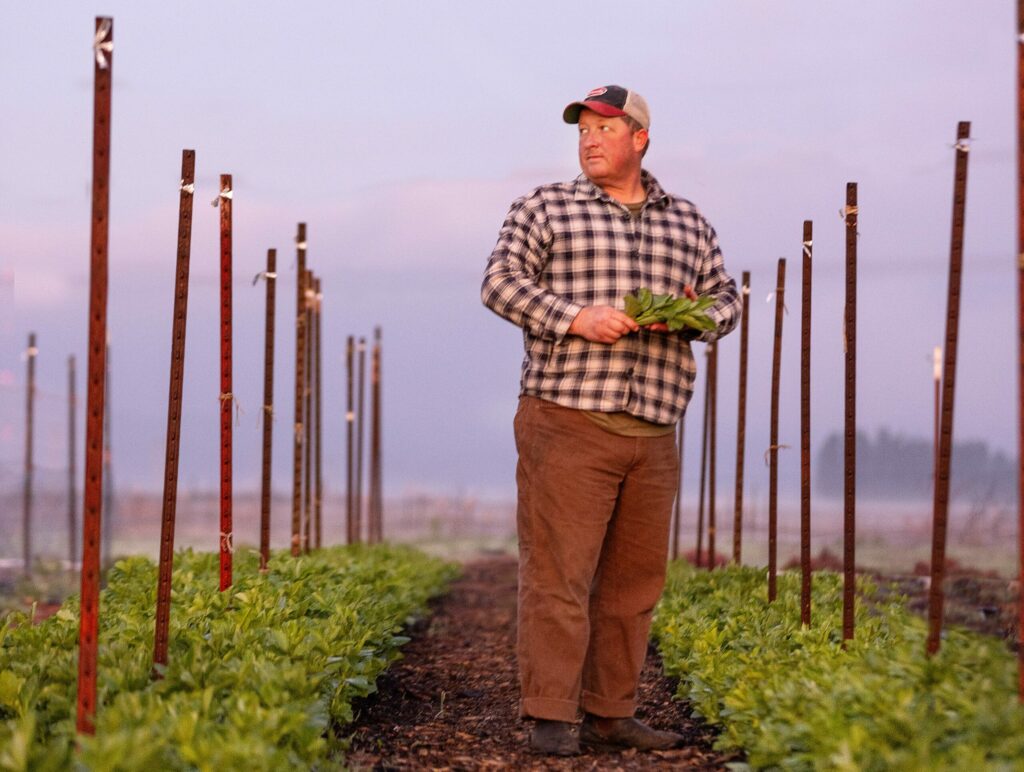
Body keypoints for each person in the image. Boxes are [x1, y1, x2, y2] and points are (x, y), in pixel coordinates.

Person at [480, 85, 741, 756]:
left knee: (633, 584)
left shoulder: (687, 222)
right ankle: (551, 714)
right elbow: (500, 282)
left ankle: (612, 711)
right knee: (559, 574)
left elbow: (727, 299)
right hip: (568, 418)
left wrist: (694, 316)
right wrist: (576, 316)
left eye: (606, 128)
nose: (590, 139)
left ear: (640, 138)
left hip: (654, 428)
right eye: (583, 130)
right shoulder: (547, 206)